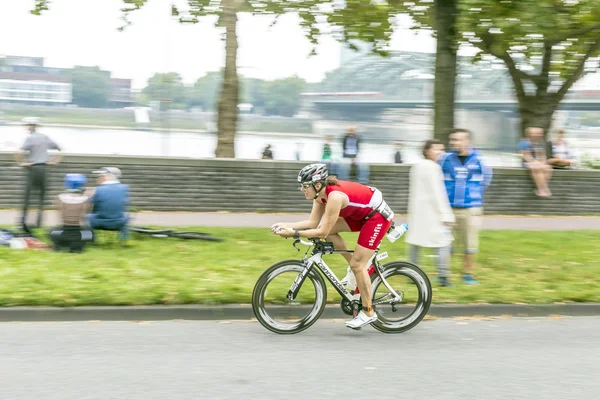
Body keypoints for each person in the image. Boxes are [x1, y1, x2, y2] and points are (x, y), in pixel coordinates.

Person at [270, 163, 395, 330]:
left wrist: (293, 233)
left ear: (318, 185)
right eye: (302, 186)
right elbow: (313, 223)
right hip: (362, 213)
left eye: (305, 186)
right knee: (333, 237)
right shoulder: (319, 196)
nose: (302, 189)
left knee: (357, 264)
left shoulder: (335, 197)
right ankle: (355, 270)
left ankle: (368, 312)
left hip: (377, 217)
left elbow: (320, 232)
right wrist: (286, 224)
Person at [439, 129, 493, 285]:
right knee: (446, 242)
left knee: (470, 242)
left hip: (471, 208)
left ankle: (467, 274)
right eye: (452, 140)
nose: (454, 143)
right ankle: (444, 273)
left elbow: (487, 179)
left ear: (467, 141)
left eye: (458, 140)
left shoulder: (479, 160)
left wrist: (473, 193)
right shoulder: (445, 159)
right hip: (449, 208)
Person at [405, 140, 455, 287]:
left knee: (415, 242)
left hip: (418, 212)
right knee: (442, 242)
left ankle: (411, 274)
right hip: (433, 213)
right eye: (436, 149)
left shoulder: (416, 167)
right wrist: (446, 214)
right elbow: (437, 193)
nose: (440, 152)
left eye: (442, 149)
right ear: (427, 150)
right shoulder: (434, 168)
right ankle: (443, 276)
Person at [14, 117, 62, 228]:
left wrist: (22, 163)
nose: (27, 127)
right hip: (44, 169)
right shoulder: (44, 137)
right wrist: (54, 161)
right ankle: (39, 223)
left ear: (31, 126)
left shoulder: (30, 138)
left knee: (27, 196)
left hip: (34, 169)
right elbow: (60, 149)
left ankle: (23, 222)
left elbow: (18, 152)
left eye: (28, 125)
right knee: (41, 197)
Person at [48, 174, 94, 253]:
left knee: (51, 231)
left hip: (62, 232)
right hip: (79, 234)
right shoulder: (87, 200)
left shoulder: (59, 198)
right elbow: (89, 211)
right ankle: (77, 245)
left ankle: (61, 245)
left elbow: (57, 209)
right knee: (90, 232)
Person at [86, 167, 130, 240]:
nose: (98, 178)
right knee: (125, 217)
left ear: (107, 176)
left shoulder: (98, 190)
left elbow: (91, 205)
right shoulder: (125, 188)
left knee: (84, 218)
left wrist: (88, 196)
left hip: (101, 222)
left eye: (100, 176)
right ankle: (124, 240)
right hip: (120, 222)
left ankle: (89, 239)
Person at [518, 127, 552, 196]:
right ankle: (542, 189)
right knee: (536, 168)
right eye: (536, 133)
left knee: (548, 168)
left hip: (538, 163)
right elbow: (524, 155)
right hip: (527, 162)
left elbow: (543, 155)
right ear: (530, 134)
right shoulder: (523, 142)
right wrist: (534, 161)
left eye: (539, 133)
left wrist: (542, 162)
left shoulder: (539, 143)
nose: (539, 135)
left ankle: (541, 188)